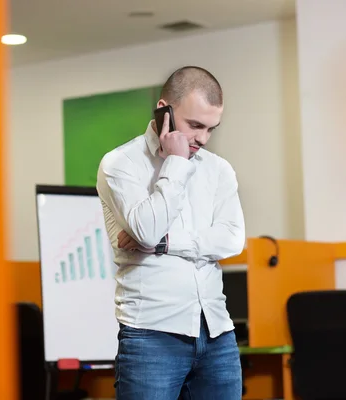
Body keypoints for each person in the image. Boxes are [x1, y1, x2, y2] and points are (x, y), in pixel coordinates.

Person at [96, 66, 246, 400]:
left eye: (210, 128)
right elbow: (147, 230)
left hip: (217, 331)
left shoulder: (217, 169)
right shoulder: (121, 164)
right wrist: (176, 163)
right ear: (164, 110)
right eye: (195, 125)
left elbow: (232, 238)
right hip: (152, 335)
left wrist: (167, 243)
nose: (203, 139)